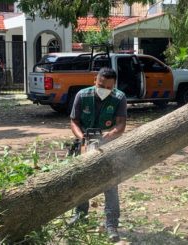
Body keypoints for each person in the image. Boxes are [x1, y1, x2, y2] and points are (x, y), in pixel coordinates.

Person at [70, 67, 127, 242]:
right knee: (80, 181)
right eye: (101, 85)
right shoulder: (82, 95)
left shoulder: (119, 98)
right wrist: (83, 139)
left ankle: (111, 224)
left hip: (108, 145)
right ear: (95, 80)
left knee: (110, 184)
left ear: (114, 86)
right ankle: (80, 216)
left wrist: (109, 135)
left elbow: (121, 125)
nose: (104, 89)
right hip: (84, 142)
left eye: (108, 87)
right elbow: (74, 121)